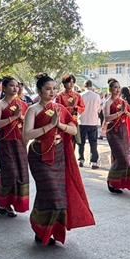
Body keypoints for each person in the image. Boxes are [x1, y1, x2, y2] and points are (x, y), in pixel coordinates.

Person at [23, 73, 95, 246]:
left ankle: (50, 230)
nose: (52, 92)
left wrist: (60, 125)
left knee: (58, 196)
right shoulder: (32, 109)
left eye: (54, 89)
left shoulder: (60, 109)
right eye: (48, 89)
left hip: (59, 154)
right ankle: (40, 227)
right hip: (39, 154)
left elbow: (72, 130)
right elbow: (26, 134)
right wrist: (49, 125)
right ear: (39, 91)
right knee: (50, 192)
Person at [0, 76, 29, 217]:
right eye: (12, 86)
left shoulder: (22, 104)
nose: (15, 88)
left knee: (21, 174)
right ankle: (2, 202)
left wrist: (22, 118)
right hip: (5, 142)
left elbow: (27, 124)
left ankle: (9, 203)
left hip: (19, 142)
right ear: (5, 88)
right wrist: (13, 117)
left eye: (17, 86)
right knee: (10, 173)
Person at [103, 79, 130, 194]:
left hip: (123, 131)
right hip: (112, 132)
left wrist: (125, 112)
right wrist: (119, 113)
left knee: (122, 158)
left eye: (118, 87)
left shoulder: (123, 102)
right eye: (115, 87)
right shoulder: (107, 102)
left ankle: (118, 183)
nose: (117, 90)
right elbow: (106, 118)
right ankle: (111, 180)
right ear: (110, 89)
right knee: (122, 159)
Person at [56, 74, 85, 150]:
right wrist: (70, 108)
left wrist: (75, 107)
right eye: (69, 82)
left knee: (73, 144)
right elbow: (58, 109)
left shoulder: (77, 95)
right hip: (63, 123)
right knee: (63, 144)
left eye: (73, 82)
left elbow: (82, 107)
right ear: (64, 83)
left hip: (74, 121)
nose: (71, 84)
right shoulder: (60, 96)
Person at [78, 80, 101, 169]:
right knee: (93, 143)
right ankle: (93, 162)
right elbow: (99, 109)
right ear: (91, 86)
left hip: (82, 121)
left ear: (84, 86)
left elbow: (78, 108)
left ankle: (81, 160)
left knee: (81, 142)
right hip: (93, 122)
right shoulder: (97, 96)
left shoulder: (81, 95)